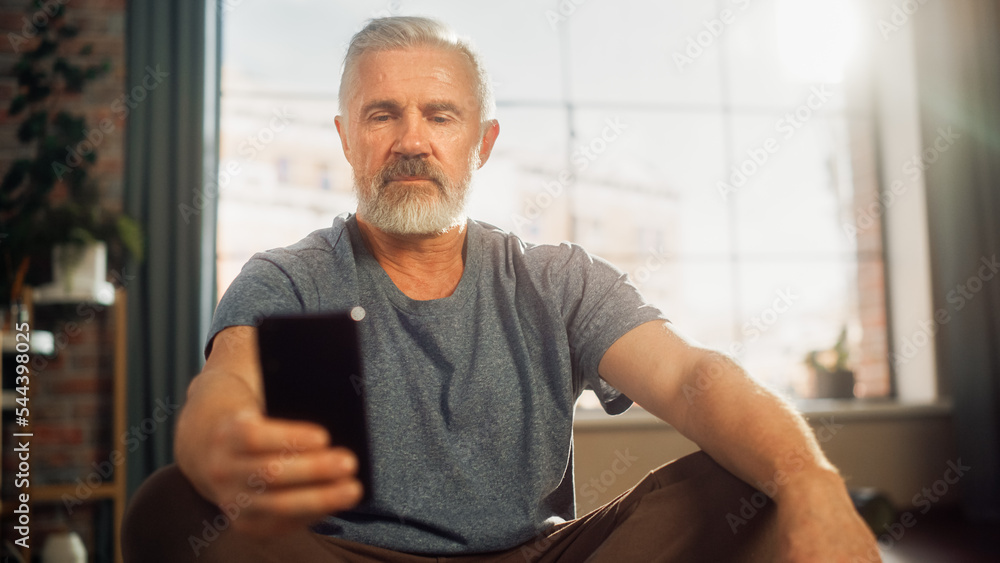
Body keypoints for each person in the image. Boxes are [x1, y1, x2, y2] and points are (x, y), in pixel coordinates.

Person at [123, 16, 880, 563]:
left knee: (742, 471)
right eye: (383, 114)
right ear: (348, 138)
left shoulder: (557, 280)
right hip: (346, 556)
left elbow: (690, 376)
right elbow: (221, 389)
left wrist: (813, 480)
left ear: (480, 143)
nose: (412, 140)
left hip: (538, 556)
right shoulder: (289, 274)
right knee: (169, 505)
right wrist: (215, 443)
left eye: (440, 115)